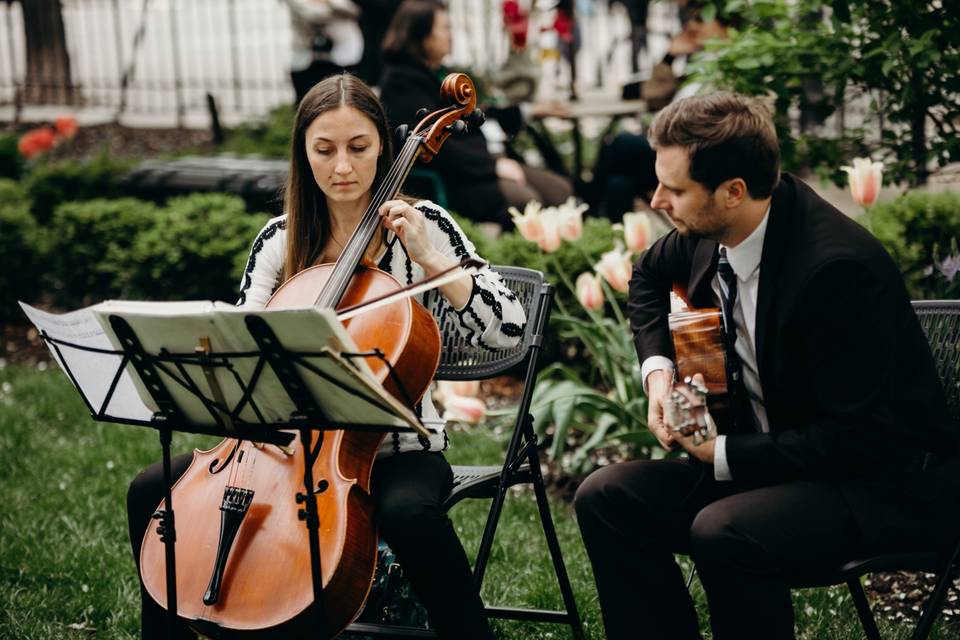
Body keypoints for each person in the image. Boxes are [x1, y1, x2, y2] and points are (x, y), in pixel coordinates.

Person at [126, 73, 526, 640]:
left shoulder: (426, 226)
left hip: (397, 450)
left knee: (411, 516)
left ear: (383, 148)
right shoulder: (279, 241)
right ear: (303, 153)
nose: (343, 166)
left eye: (359, 148)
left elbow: (508, 330)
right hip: (277, 447)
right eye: (325, 149)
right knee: (152, 489)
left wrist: (434, 261)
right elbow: (242, 348)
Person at [573, 91, 960, 640]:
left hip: (876, 485)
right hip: (772, 466)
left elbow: (858, 440)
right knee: (607, 496)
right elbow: (647, 276)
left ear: (733, 192)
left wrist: (720, 452)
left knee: (722, 529)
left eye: (675, 189)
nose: (657, 198)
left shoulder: (839, 272)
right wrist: (658, 374)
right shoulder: (710, 232)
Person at [378, 0, 573, 226]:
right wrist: (493, 165)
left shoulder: (435, 74)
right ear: (421, 35)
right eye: (444, 28)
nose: (450, 35)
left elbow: (474, 115)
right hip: (459, 181)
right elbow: (438, 146)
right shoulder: (402, 83)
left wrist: (529, 111)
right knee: (529, 203)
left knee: (561, 191)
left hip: (480, 165)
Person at [284, 0, 364, 104]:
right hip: (304, 58)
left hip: (343, 55)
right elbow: (311, 13)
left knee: (347, 100)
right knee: (308, 102)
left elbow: (355, 9)